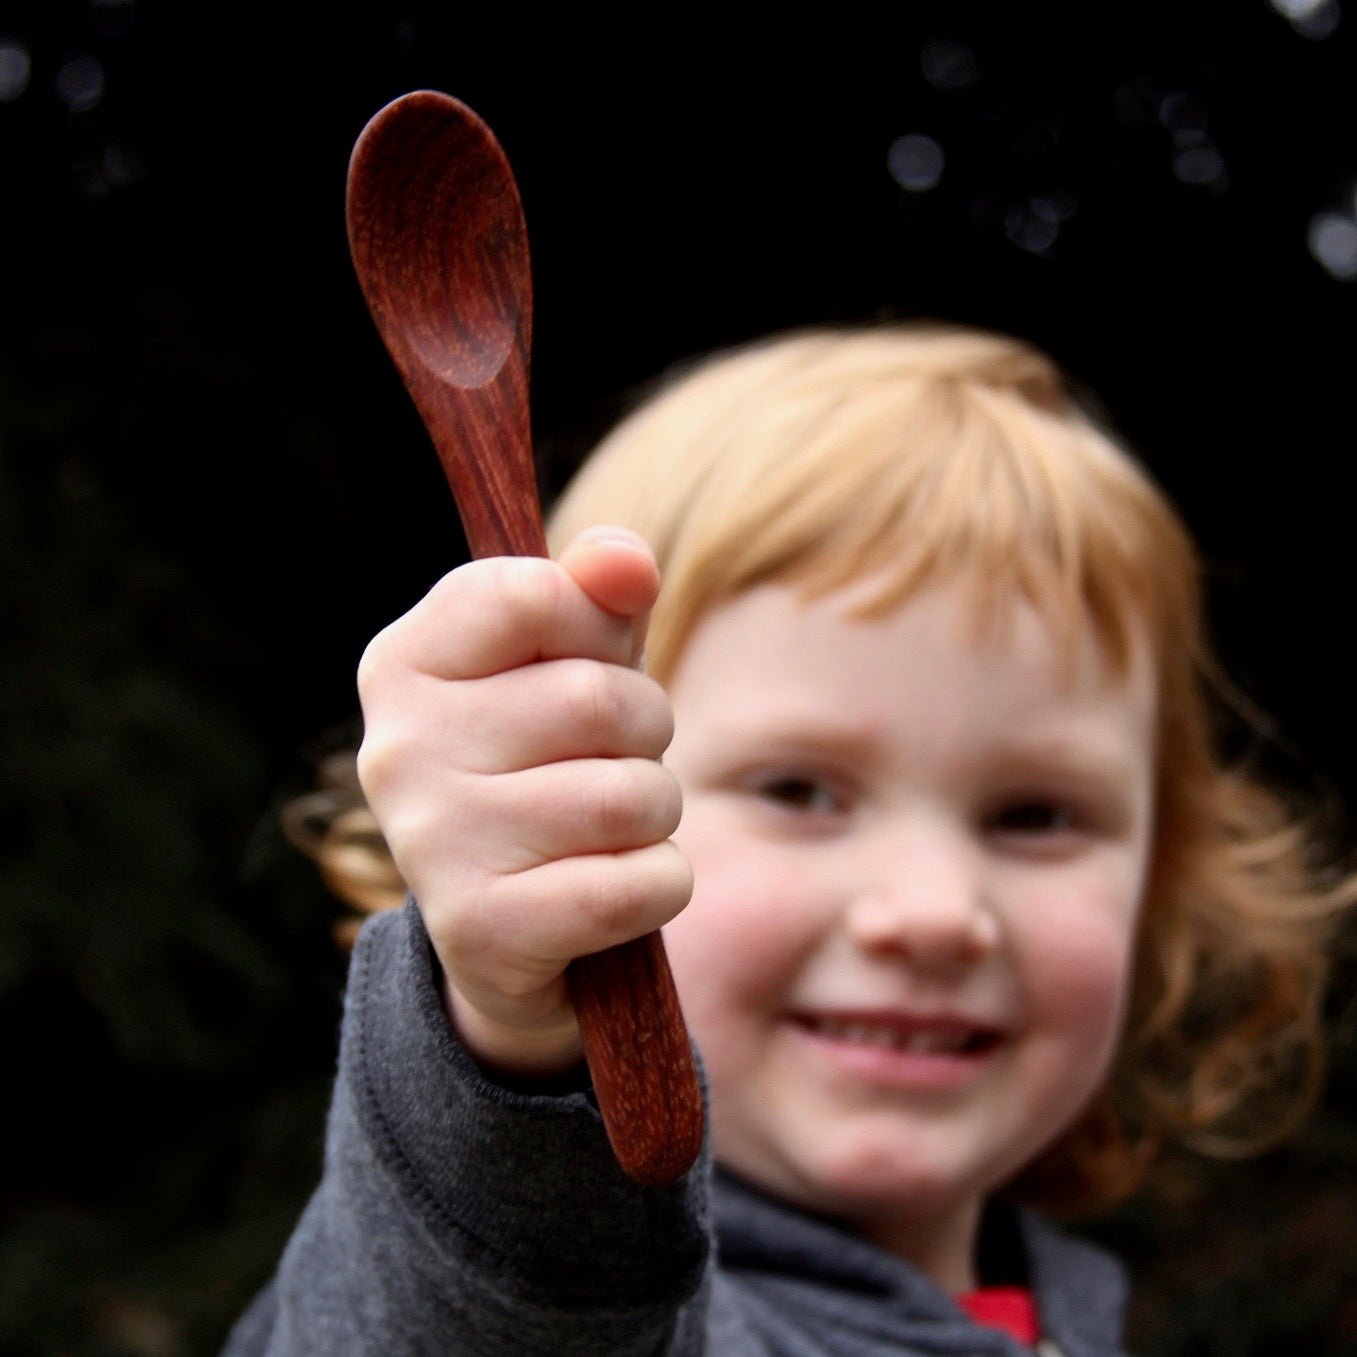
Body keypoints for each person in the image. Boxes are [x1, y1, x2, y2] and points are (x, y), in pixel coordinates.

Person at [227, 325, 1352, 1356]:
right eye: (801, 791)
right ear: (563, 801)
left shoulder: (1078, 1321)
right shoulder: (579, 1307)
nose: (930, 909)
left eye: (1035, 815)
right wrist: (515, 1035)